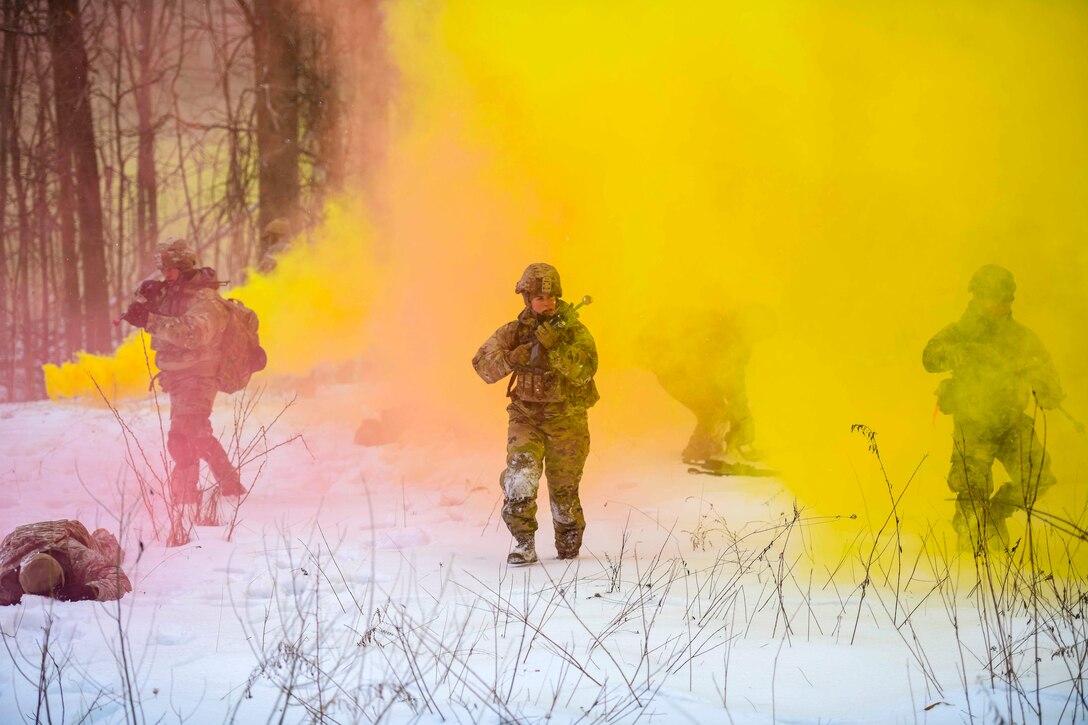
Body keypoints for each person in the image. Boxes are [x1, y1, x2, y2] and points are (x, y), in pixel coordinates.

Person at [923, 264, 1064, 552]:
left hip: (1012, 423)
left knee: (1037, 478)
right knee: (972, 492)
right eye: (995, 298)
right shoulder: (960, 333)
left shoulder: (1022, 338)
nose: (1002, 305)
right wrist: (957, 353)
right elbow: (929, 358)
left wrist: (1049, 390)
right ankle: (970, 558)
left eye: (1007, 298)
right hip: (974, 426)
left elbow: (1047, 374)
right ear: (977, 297)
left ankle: (995, 514)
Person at [121, 237, 245, 546]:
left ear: (183, 266)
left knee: (183, 433)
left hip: (201, 375)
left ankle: (186, 499)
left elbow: (192, 333)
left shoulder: (206, 299)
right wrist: (144, 299)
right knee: (198, 433)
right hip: (178, 377)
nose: (165, 275)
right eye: (162, 270)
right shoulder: (170, 293)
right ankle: (230, 486)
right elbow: (148, 308)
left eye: (170, 269)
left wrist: (149, 320)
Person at [472, 263, 599, 565]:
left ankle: (568, 546)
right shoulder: (514, 332)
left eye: (552, 298)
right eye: (541, 299)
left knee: (564, 492)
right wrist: (511, 358)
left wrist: (557, 349)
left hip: (567, 419)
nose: (548, 305)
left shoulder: (574, 331)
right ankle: (523, 542)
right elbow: (482, 366)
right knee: (521, 474)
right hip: (526, 417)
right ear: (527, 299)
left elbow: (585, 371)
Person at [638, 305, 773, 465]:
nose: (758, 340)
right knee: (713, 411)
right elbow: (734, 389)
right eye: (761, 335)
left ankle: (713, 446)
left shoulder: (726, 328)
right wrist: (744, 432)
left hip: (685, 370)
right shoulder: (730, 340)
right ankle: (696, 451)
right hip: (676, 372)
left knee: (718, 408)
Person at [0, 520, 131, 605]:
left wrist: (90, 590)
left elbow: (120, 581)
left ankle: (101, 536)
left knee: (110, 552)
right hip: (20, 537)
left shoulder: (79, 557)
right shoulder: (5, 577)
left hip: (69, 533)